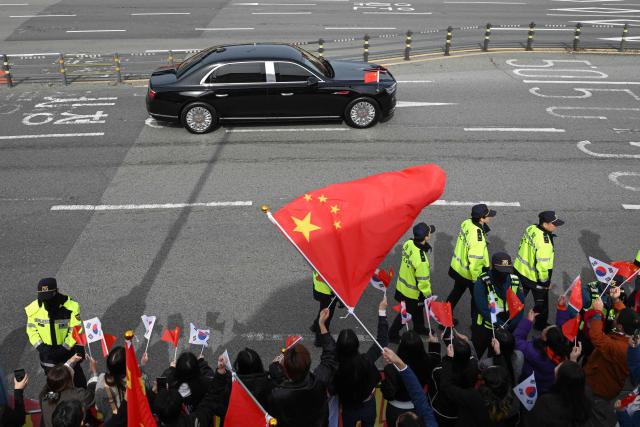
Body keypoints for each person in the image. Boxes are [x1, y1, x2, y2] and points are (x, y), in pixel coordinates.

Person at [269, 308, 338, 427]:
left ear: (286, 370)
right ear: (308, 362)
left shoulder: (277, 394)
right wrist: (322, 324)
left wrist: (275, 368)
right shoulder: (319, 380)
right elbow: (330, 354)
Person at [333, 296, 389, 427]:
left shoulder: (336, 366)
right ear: (356, 345)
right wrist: (382, 312)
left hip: (348, 407)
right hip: (367, 405)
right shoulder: (366, 360)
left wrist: (322, 326)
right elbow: (382, 341)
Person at [25, 278, 87, 387]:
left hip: (67, 353)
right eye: (43, 298)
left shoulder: (71, 307)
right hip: (47, 355)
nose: (46, 301)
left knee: (79, 383)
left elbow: (76, 330)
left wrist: (64, 348)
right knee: (55, 386)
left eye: (49, 298)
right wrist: (43, 348)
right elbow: (31, 330)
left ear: (57, 291)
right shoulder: (33, 309)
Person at [440, 343, 517, 427]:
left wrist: (448, 359)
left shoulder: (475, 397)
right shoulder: (508, 394)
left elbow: (446, 387)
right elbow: (503, 373)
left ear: (485, 383)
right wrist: (498, 353)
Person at [514, 211, 564, 331]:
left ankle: (509, 321)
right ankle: (540, 325)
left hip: (520, 271)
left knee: (516, 301)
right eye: (553, 224)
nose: (555, 226)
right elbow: (542, 266)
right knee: (542, 303)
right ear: (545, 224)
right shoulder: (545, 243)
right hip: (535, 278)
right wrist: (545, 282)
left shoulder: (531, 228)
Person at [524, 361, 611, 427]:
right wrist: (573, 362)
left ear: (561, 381)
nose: (555, 368)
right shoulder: (585, 393)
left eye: (558, 369)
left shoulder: (546, 403)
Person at [472, 252, 525, 358]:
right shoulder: (482, 282)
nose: (504, 274)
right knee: (476, 354)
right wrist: (500, 324)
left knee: (496, 357)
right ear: (493, 268)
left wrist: (511, 325)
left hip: (505, 327)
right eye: (501, 271)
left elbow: (520, 306)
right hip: (485, 328)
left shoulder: (514, 281)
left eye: (507, 271)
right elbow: (483, 308)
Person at [446, 204, 494, 319]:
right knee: (478, 299)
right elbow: (475, 261)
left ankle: (445, 317)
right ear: (481, 218)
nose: (490, 217)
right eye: (488, 216)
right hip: (470, 274)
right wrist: (476, 280)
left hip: (459, 269)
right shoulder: (477, 238)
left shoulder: (467, 222)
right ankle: (475, 325)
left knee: (456, 292)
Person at [389, 222, 436, 342]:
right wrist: (428, 295)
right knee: (405, 313)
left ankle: (419, 327)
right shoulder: (421, 261)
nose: (430, 234)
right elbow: (423, 282)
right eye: (429, 233)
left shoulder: (409, 243)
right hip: (412, 292)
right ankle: (392, 334)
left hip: (402, 285)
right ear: (426, 237)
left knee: (418, 308)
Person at [584, 298, 638, 400]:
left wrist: (598, 313)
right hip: (605, 382)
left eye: (615, 319)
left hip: (599, 388)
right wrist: (616, 300)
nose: (614, 319)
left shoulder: (620, 348)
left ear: (620, 327)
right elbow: (626, 315)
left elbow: (597, 337)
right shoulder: (633, 332)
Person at [382, 330, 438, 427]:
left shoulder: (391, 369)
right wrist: (434, 346)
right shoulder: (428, 362)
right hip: (417, 407)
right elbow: (435, 361)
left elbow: (388, 394)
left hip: (396, 408)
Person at [153, 360, 229, 427]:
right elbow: (209, 402)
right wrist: (220, 375)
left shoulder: (148, 421)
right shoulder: (192, 422)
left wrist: (153, 393)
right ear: (180, 407)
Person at [514, 309, 574, 393]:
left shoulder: (535, 352)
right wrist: (561, 308)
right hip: (546, 387)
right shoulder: (564, 351)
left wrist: (528, 322)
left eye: (546, 329)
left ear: (545, 338)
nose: (545, 327)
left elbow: (516, 340)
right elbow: (562, 327)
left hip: (529, 384)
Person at [430, 334, 478, 427]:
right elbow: (472, 356)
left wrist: (435, 348)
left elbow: (435, 386)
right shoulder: (474, 365)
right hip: (462, 408)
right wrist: (467, 343)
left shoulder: (440, 371)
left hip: (443, 411)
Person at [39, 355, 98, 427]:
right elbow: (93, 395)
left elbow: (56, 379)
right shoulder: (78, 395)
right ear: (69, 381)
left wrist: (69, 362)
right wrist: (94, 373)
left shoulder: (44, 395)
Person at [95, 346, 147, 421]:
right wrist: (141, 367)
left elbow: (98, 407)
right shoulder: (130, 383)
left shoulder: (100, 379)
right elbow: (144, 390)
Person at [310, 271, 338, 347]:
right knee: (326, 315)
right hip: (328, 291)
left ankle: (315, 326)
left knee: (323, 309)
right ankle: (320, 339)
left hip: (318, 286)